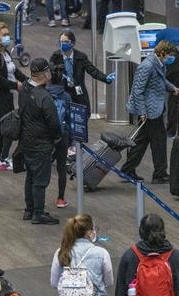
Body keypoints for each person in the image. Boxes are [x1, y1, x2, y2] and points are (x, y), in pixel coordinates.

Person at [120, 41, 179, 184]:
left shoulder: (159, 64)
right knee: (159, 142)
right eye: (170, 55)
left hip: (153, 109)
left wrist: (171, 87)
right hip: (150, 111)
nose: (171, 58)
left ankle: (128, 169)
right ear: (162, 54)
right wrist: (142, 111)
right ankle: (160, 174)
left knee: (141, 141)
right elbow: (137, 91)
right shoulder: (147, 66)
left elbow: (160, 81)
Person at [19, 58, 62, 225]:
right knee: (40, 179)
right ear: (45, 73)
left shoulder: (24, 89)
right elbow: (54, 123)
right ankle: (38, 213)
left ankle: (29, 210)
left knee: (30, 175)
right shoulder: (44, 97)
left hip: (26, 140)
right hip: (41, 143)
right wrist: (57, 137)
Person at [0, 23, 28, 171]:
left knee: (4, 128)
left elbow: (15, 71)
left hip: (7, 95)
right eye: (4, 35)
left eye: (8, 34)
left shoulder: (5, 52)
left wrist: (29, 81)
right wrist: (15, 85)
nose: (7, 37)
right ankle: (3, 159)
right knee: (9, 128)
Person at [49, 31, 112, 117]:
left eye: (66, 41)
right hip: (62, 91)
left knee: (82, 117)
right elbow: (51, 70)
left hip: (78, 91)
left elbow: (92, 70)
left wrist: (105, 77)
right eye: (61, 42)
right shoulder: (56, 56)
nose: (63, 44)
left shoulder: (81, 57)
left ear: (73, 43)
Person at [46, 65, 72, 208]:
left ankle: (41, 199)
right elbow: (69, 118)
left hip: (46, 135)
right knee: (61, 168)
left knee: (43, 167)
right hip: (63, 135)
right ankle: (60, 198)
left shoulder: (44, 93)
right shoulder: (66, 96)